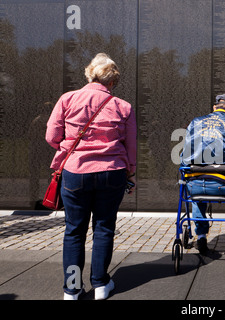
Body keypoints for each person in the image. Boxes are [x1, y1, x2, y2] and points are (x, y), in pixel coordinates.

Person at [46, 53, 137, 300]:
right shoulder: (124, 106)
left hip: (75, 172)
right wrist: (130, 171)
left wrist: (67, 149)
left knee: (74, 231)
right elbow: (131, 147)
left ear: (89, 74)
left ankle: (72, 290)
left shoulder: (68, 99)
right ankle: (100, 284)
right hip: (112, 172)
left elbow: (51, 136)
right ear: (113, 81)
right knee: (104, 228)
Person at [180, 94, 225, 254]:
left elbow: (184, 153)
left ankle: (201, 235)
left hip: (195, 185)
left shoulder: (195, 123)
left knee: (198, 198)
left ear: (214, 107)